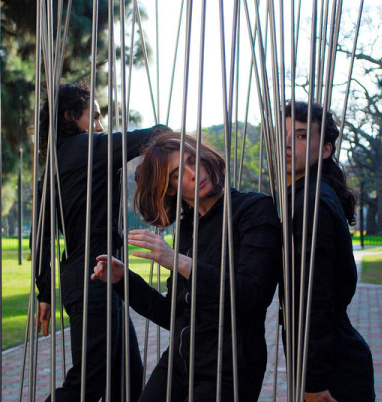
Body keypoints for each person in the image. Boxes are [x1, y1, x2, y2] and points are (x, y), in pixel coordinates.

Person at [91, 132, 281, 401]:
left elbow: (252, 296)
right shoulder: (188, 229)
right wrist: (123, 280)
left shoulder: (253, 210)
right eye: (179, 174)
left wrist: (178, 261)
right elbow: (175, 314)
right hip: (181, 360)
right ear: (170, 189)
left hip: (230, 366)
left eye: (194, 160)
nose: (194, 173)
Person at [33, 82, 169, 401]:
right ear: (69, 117)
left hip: (93, 281)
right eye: (93, 117)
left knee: (128, 379)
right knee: (86, 385)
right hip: (94, 280)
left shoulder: (52, 163)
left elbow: (39, 238)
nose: (99, 126)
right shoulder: (86, 148)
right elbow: (156, 133)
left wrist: (44, 293)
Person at [281, 101, 375, 401]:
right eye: (283, 133)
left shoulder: (312, 203)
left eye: (301, 135)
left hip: (336, 369)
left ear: (326, 150)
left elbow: (314, 298)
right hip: (330, 357)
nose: (286, 143)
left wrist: (315, 382)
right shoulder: (303, 194)